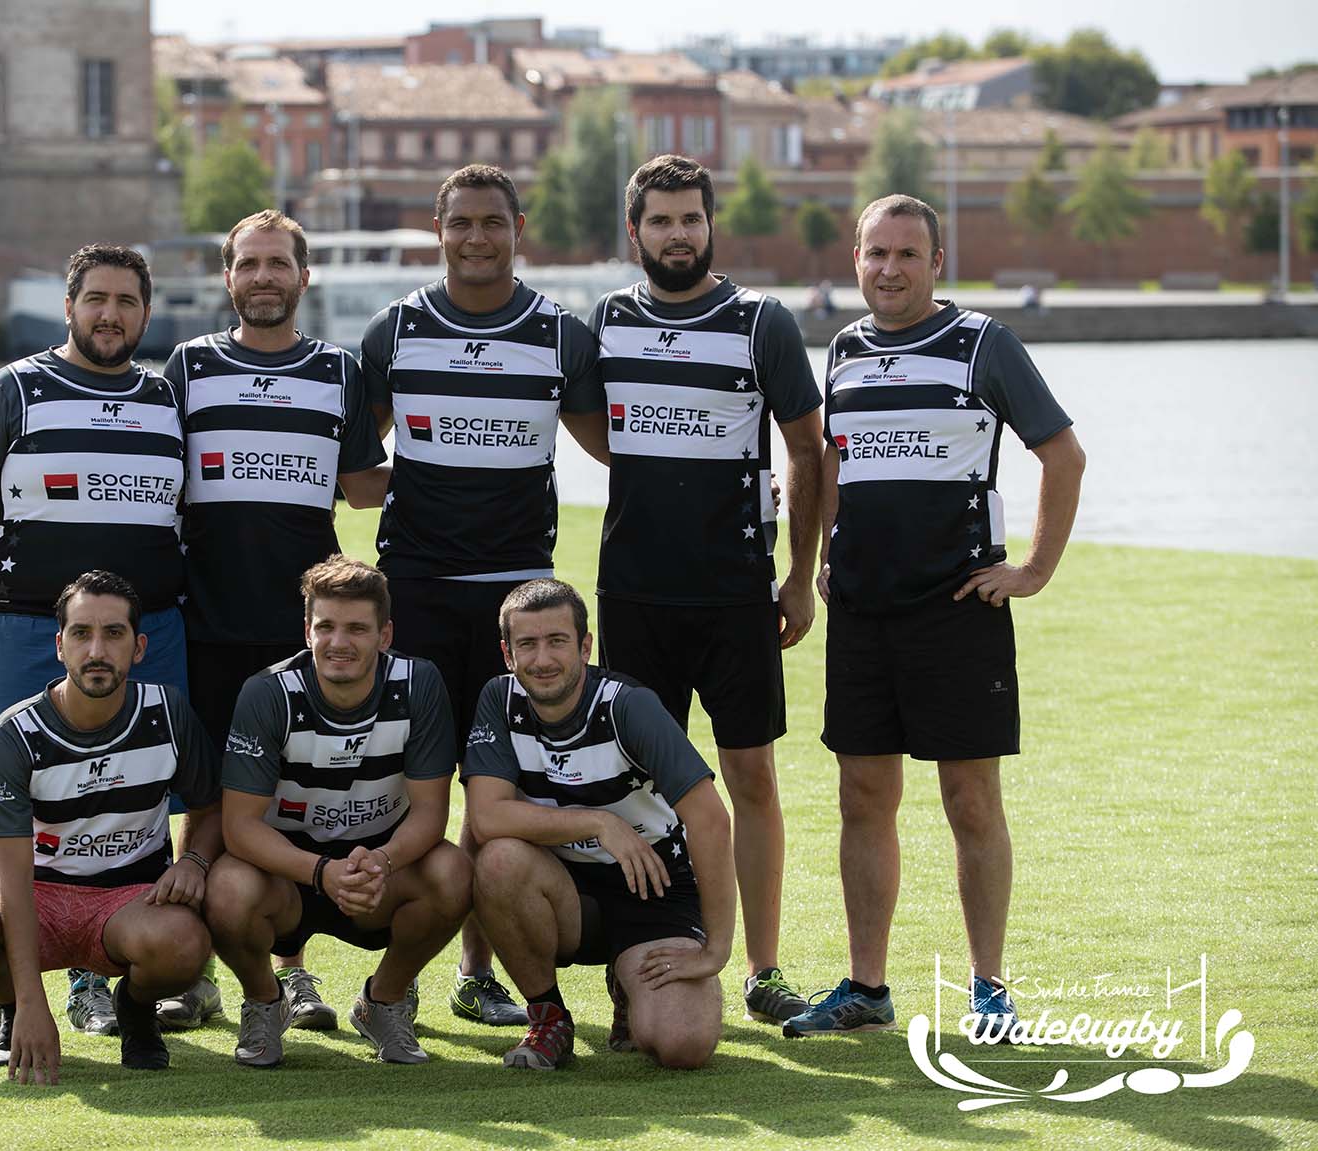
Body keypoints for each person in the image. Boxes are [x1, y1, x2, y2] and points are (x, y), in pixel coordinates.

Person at [784, 194, 1086, 1039]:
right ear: (855, 259)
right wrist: (812, 568)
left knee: (971, 803)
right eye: (876, 253)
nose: (890, 269)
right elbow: (834, 468)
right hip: (862, 615)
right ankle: (867, 990)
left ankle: (990, 990)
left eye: (907, 254)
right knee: (863, 799)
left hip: (958, 612)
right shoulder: (842, 349)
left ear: (936, 261)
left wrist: (1031, 570)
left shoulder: (983, 343)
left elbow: (1063, 455)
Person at [0, 243, 191, 1058]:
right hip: (28, 629)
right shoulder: (14, 389)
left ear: (146, 311)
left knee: (129, 799)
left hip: (148, 633)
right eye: (95, 299)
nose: (110, 315)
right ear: (69, 307)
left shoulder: (166, 398)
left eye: (127, 302)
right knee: (1, 805)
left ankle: (98, 976)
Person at [358, 163, 610, 1026]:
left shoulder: (559, 335)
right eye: (460, 223)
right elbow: (351, 458)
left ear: (518, 228)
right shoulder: (397, 330)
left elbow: (617, 449)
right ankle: (371, 971)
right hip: (418, 596)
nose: (476, 238)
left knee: (496, 791)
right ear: (439, 231)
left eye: (491, 223)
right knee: (398, 783)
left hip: (518, 606)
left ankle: (479, 974)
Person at [588, 154, 825, 1027]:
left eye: (691, 219)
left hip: (736, 594)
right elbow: (584, 423)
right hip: (635, 593)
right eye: (661, 221)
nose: (677, 234)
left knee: (751, 775)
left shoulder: (760, 321)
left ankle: (763, 968)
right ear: (635, 231)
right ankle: (638, 967)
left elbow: (809, 449)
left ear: (711, 225)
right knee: (639, 787)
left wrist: (799, 576)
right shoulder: (608, 320)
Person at [158, 210, 390, 1032]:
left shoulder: (337, 371)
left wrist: (474, 469)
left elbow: (365, 485)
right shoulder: (187, 366)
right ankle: (193, 968)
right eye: (248, 264)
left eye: (277, 264)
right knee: (207, 795)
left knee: (297, 793)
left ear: (303, 277)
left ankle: (292, 973)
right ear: (229, 278)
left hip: (305, 630)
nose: (263, 276)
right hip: (207, 618)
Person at [0, 572, 224, 1084]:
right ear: (59, 646)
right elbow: (10, 882)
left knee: (185, 944)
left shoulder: (167, 714)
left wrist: (193, 859)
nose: (96, 650)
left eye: (113, 634)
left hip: (130, 899)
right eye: (81, 634)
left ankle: (136, 1009)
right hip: (38, 897)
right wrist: (31, 1003)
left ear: (139, 646)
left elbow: (211, 810)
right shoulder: (13, 734)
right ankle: (10, 1011)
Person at [204, 556, 471, 1066]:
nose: (339, 642)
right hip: (286, 874)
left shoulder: (419, 684)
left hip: (376, 870)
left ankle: (384, 1002)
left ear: (385, 634)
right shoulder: (268, 693)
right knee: (228, 888)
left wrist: (385, 861)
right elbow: (239, 827)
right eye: (325, 627)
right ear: (307, 631)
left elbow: (431, 813)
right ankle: (265, 1002)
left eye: (357, 629)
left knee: (453, 871)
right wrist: (321, 872)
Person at [462, 580, 736, 1070]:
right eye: (527, 644)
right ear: (508, 653)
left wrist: (716, 949)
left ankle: (628, 983)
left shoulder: (628, 705)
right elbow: (486, 816)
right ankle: (549, 1018)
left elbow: (711, 820)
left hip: (652, 886)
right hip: (561, 891)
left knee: (682, 1044)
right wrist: (598, 822)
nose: (542, 659)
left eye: (558, 641)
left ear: (585, 646)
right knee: (498, 859)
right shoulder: (498, 701)